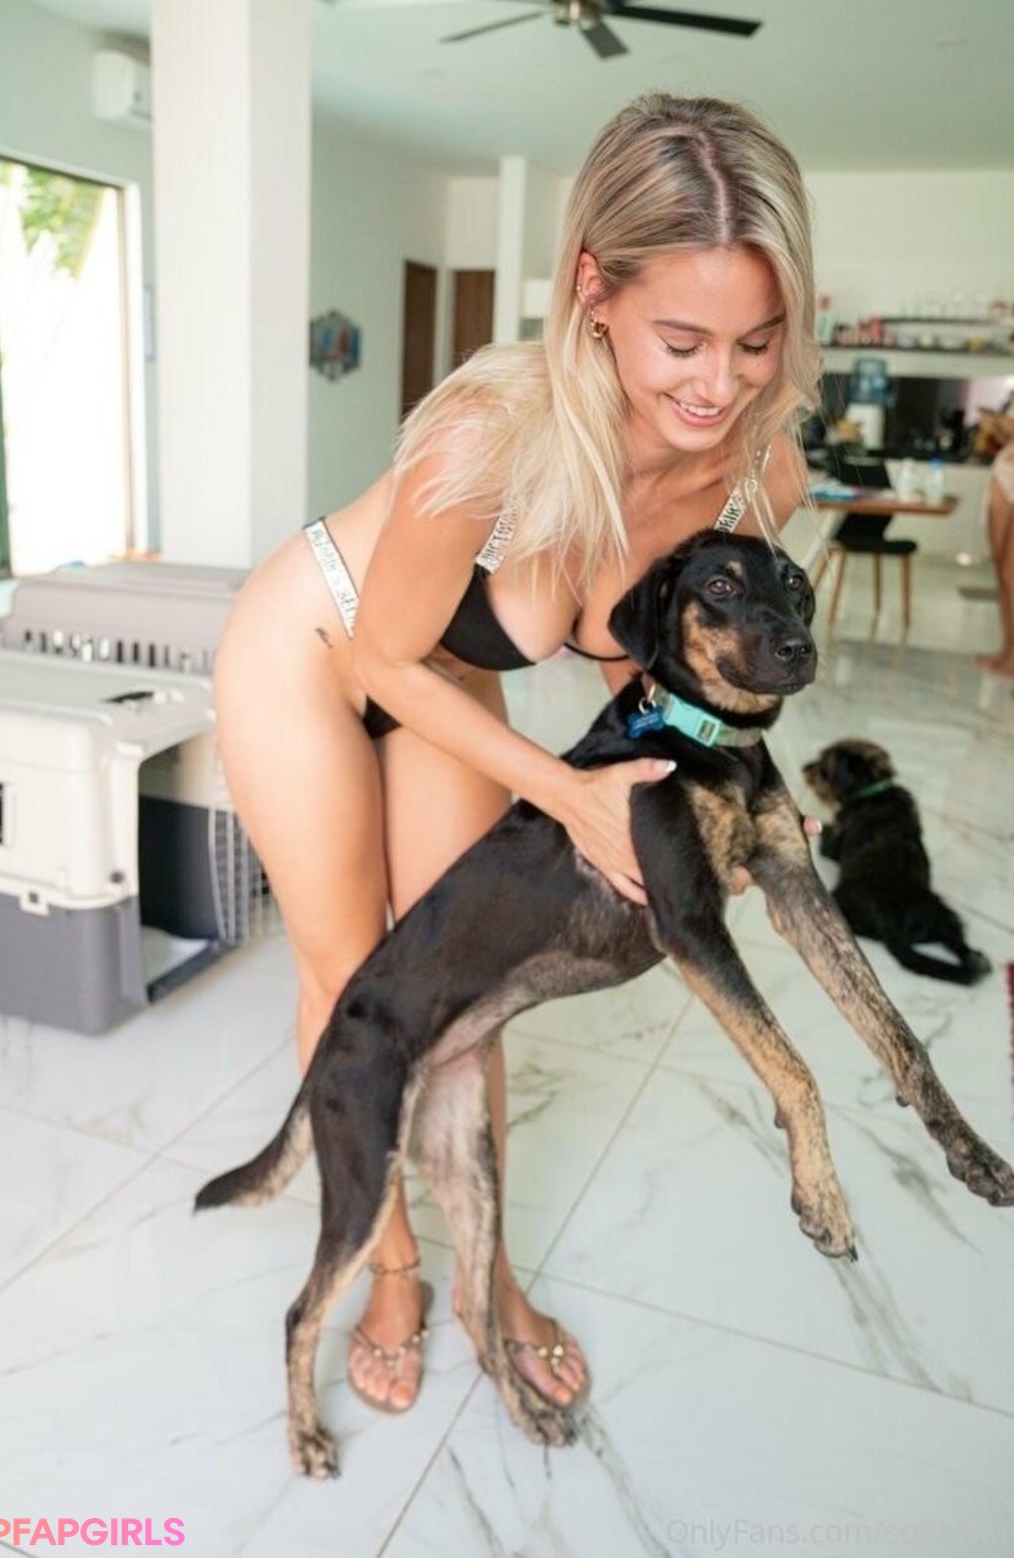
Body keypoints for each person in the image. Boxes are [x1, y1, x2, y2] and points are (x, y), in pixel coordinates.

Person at [214, 92, 821, 1416]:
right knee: (353, 974)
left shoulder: (752, 474)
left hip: (447, 676)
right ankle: (393, 1270)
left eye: (755, 343)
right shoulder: (491, 431)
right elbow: (383, 657)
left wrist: (729, 796)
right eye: (682, 342)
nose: (718, 384)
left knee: (461, 989)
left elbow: (645, 653)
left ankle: (489, 1281)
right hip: (318, 647)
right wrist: (568, 794)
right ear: (595, 289)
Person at [975, 405, 1014, 675]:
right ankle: (1008, 650)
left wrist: (1001, 423)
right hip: (1005, 468)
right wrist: (997, 428)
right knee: (1002, 573)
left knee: (1011, 574)